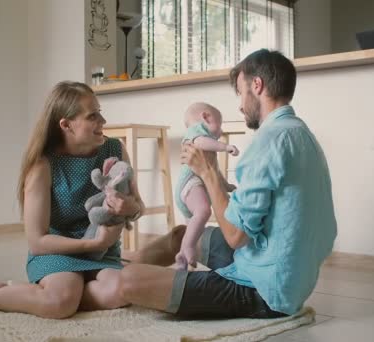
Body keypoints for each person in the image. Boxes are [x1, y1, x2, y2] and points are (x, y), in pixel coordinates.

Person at [118, 49, 338, 318]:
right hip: (285, 272)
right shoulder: (302, 135)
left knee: (125, 281)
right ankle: (118, 260)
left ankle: (108, 270)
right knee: (181, 236)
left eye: (240, 92)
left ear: (257, 86)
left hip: (263, 290)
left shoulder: (269, 141)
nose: (240, 104)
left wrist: (207, 171)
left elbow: (235, 236)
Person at [0, 81, 153, 319]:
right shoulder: (42, 165)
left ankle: (16, 291)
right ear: (66, 125)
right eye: (93, 116)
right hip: (55, 251)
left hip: (102, 253)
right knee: (60, 303)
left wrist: (130, 207)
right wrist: (93, 244)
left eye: (100, 113)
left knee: (119, 294)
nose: (103, 122)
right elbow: (38, 241)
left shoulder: (114, 149)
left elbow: (138, 206)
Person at [174, 102, 239, 270]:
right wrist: (225, 147)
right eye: (220, 124)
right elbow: (201, 142)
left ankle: (183, 257)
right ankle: (187, 247)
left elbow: (214, 171)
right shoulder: (196, 132)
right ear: (205, 117)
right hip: (189, 184)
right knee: (203, 211)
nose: (221, 131)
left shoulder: (208, 146)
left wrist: (226, 185)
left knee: (196, 227)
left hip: (194, 187)